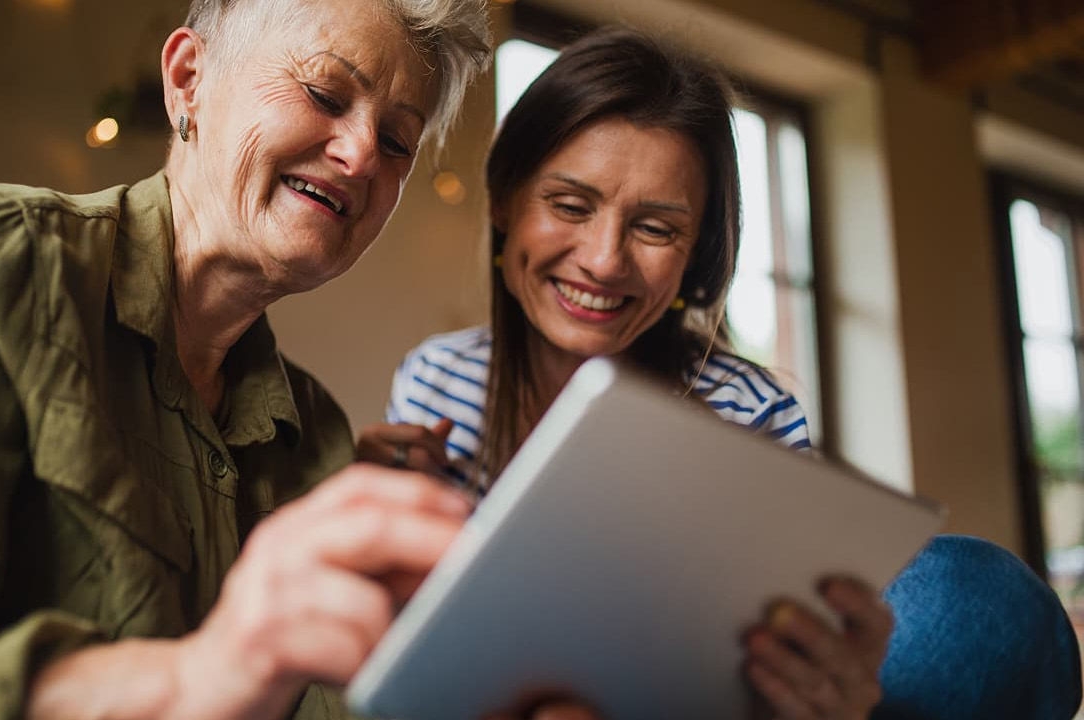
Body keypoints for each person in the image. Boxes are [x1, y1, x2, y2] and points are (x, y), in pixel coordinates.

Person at [0, 1, 522, 719]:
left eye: (398, 141)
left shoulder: (321, 440)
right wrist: (190, 682)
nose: (362, 153)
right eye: (325, 95)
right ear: (188, 80)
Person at [362, 27, 1083, 720]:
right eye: (570, 205)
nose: (605, 260)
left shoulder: (749, 409)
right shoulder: (435, 379)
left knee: (973, 595)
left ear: (695, 255)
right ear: (503, 203)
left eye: (655, 228)